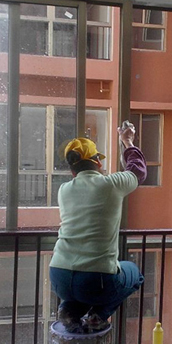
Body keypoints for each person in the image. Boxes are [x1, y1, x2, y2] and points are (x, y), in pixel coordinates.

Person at [49, 123, 147, 333]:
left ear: (72, 170)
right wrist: (127, 141)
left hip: (59, 276)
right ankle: (98, 316)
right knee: (134, 274)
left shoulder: (63, 190)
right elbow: (137, 170)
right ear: (97, 162)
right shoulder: (111, 185)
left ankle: (68, 310)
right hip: (97, 280)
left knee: (80, 291)